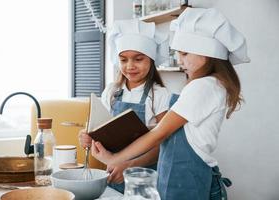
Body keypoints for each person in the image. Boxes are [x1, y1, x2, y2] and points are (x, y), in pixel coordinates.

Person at [91, 7, 250, 200]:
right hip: (177, 176)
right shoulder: (212, 85)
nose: (179, 59)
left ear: (206, 53)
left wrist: (116, 159)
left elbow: (160, 133)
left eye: (184, 53)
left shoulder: (202, 87)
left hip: (187, 179)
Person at [79, 19, 170, 193]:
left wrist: (128, 165)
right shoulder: (112, 91)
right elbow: (99, 129)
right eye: (123, 59)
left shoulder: (159, 95)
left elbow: (163, 145)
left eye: (138, 59)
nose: (130, 66)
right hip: (112, 173)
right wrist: (86, 137)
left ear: (150, 59)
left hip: (145, 178)